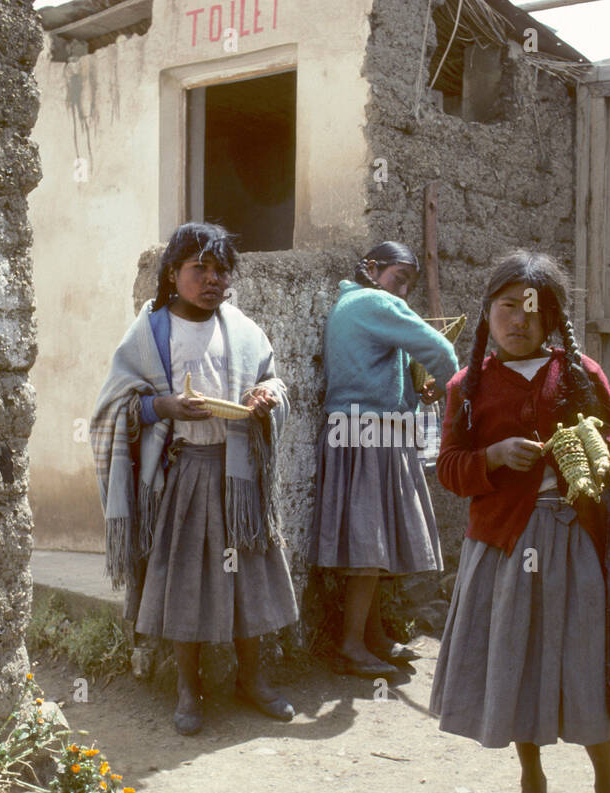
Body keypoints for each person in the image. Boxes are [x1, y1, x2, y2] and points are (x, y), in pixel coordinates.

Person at [429, 250, 610, 793]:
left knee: (585, 656)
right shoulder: (467, 387)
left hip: (576, 542)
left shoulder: (578, 374)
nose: (517, 321)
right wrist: (489, 459)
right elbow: (448, 468)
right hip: (503, 546)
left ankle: (607, 784)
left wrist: (599, 443)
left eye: (532, 310)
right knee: (517, 662)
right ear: (488, 313)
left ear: (550, 320)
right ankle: (532, 781)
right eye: (506, 308)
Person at [91, 222, 298, 736]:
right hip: (182, 475)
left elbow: (271, 376)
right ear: (172, 273)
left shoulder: (243, 331)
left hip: (237, 480)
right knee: (183, 582)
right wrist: (164, 405)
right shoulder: (150, 332)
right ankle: (188, 688)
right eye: (198, 269)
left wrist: (266, 397)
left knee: (247, 582)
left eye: (220, 269)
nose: (211, 279)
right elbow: (115, 406)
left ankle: (253, 680)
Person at [309, 242, 459, 678]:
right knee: (369, 546)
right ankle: (352, 644)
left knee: (369, 543)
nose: (403, 293)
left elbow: (375, 370)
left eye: (410, 285)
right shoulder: (374, 301)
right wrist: (450, 384)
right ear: (372, 270)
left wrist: (416, 391)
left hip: (353, 431)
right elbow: (442, 352)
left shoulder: (350, 306)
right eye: (399, 279)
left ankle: (371, 637)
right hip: (370, 434)